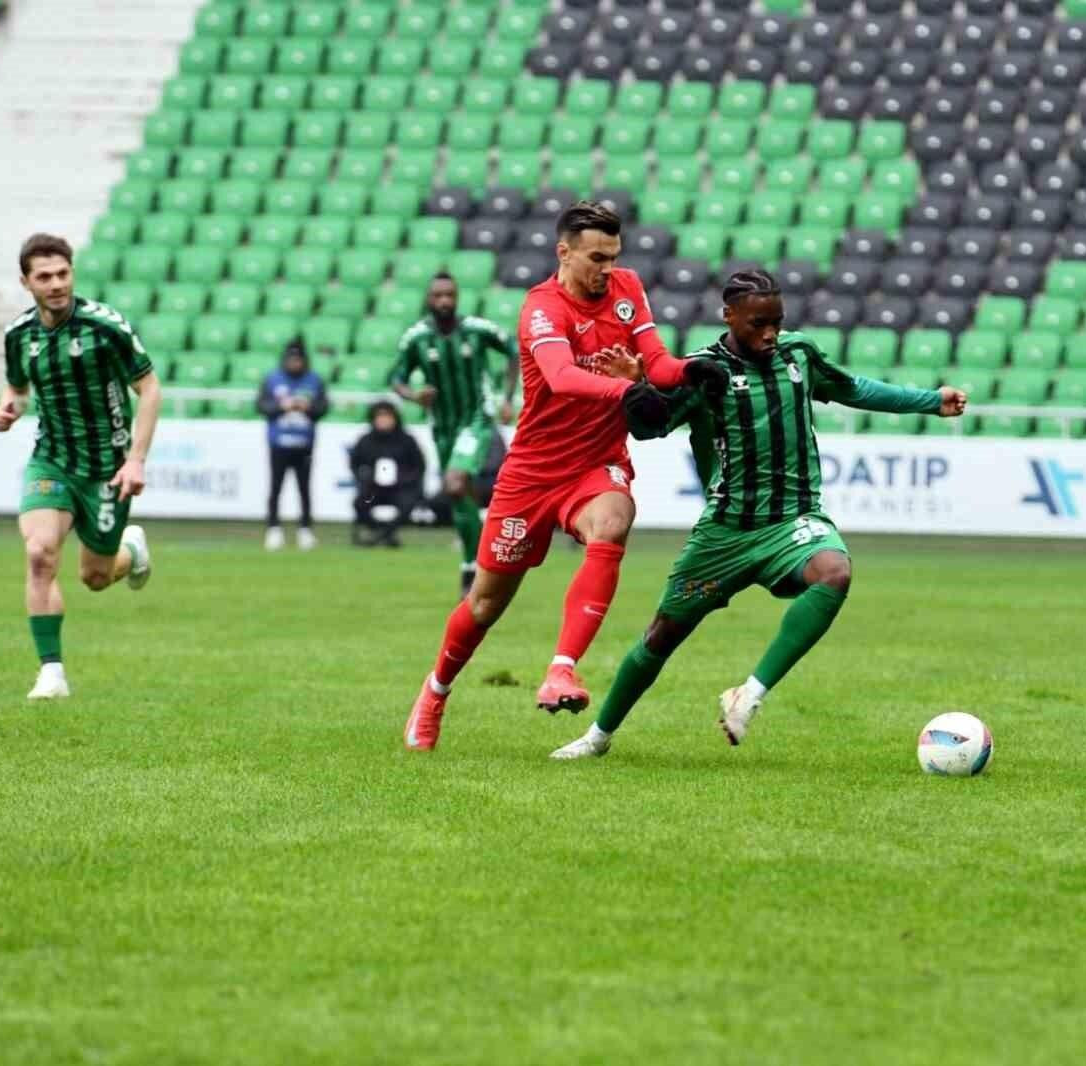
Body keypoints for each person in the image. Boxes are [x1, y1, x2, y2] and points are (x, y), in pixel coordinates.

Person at [551, 269, 967, 759]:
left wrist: (929, 402)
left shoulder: (799, 354)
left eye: (776, 321)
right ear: (729, 316)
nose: (770, 333)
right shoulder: (703, 371)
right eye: (757, 323)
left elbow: (853, 388)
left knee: (834, 573)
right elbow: (649, 429)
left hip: (792, 521)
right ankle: (597, 737)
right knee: (661, 636)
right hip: (725, 532)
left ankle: (748, 694)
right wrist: (636, 388)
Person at [402, 199, 730, 751]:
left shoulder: (627, 289)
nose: (607, 269)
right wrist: (631, 390)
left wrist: (691, 371)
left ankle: (562, 668)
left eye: (614, 256)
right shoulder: (541, 309)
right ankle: (434, 691)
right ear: (564, 252)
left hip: (594, 464)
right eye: (596, 258)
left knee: (615, 519)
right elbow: (560, 376)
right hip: (531, 473)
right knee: (484, 604)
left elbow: (658, 359)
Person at [0, 233, 160, 700]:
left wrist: (136, 460)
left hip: (108, 468)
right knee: (39, 552)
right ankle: (52, 672)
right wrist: (8, 407)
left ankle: (132, 550)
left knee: (96, 577)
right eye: (44, 276)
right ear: (26, 282)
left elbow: (149, 388)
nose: (56, 284)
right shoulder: (19, 335)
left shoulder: (105, 327)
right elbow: (17, 388)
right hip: (53, 460)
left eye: (63, 273)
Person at [389, 271, 517, 594]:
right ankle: (472, 562)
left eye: (450, 295)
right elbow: (396, 378)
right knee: (459, 495)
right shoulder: (416, 338)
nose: (445, 301)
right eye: (438, 296)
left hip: (476, 418)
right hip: (442, 425)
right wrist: (414, 395)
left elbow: (514, 349)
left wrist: (506, 397)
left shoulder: (477, 329)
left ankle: (472, 570)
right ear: (429, 299)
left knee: (455, 481)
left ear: (457, 297)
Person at [257, 337, 327, 551]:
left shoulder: (314, 380)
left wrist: (307, 408)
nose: (295, 363)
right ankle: (273, 529)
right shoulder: (273, 379)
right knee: (276, 487)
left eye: (298, 360)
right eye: (291, 359)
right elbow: (262, 406)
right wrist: (282, 407)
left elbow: (322, 407)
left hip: (304, 442)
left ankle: (305, 530)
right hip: (279, 442)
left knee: (304, 489)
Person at [350, 400, 426, 547]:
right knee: (360, 503)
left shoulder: (407, 440)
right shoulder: (365, 441)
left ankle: (382, 535)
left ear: (395, 418)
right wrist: (365, 476)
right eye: (380, 416)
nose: (383, 420)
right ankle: (384, 533)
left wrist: (404, 479)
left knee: (408, 503)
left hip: (400, 488)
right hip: (374, 489)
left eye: (387, 416)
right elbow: (355, 464)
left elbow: (419, 466)